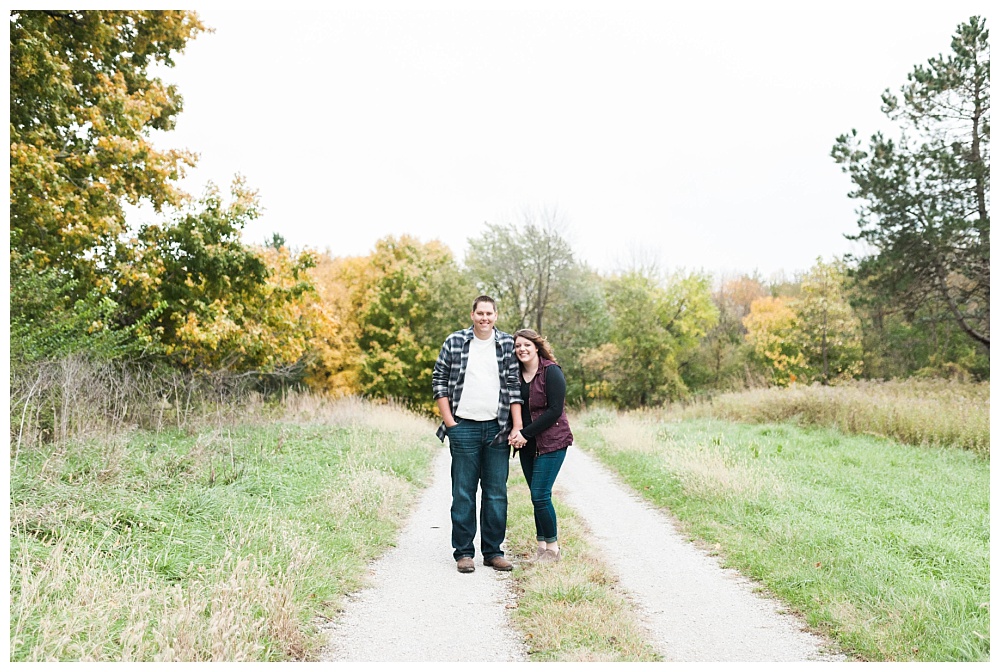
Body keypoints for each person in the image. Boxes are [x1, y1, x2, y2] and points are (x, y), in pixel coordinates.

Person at [432, 295, 523, 574]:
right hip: (464, 426)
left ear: (496, 316)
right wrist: (451, 423)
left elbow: (514, 386)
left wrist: (517, 426)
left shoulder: (506, 344)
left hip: (497, 427)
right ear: (472, 314)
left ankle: (493, 552)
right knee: (463, 493)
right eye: (480, 313)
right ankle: (464, 553)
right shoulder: (455, 341)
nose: (485, 318)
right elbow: (439, 381)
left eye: (489, 314)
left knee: (496, 493)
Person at [507, 328, 573, 564]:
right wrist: (514, 433)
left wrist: (525, 432)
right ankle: (541, 548)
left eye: (526, 345)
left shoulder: (551, 372)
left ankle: (553, 550)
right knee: (536, 496)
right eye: (517, 346)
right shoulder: (514, 374)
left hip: (552, 442)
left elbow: (555, 410)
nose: (522, 349)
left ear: (536, 347)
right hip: (526, 445)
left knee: (540, 495)